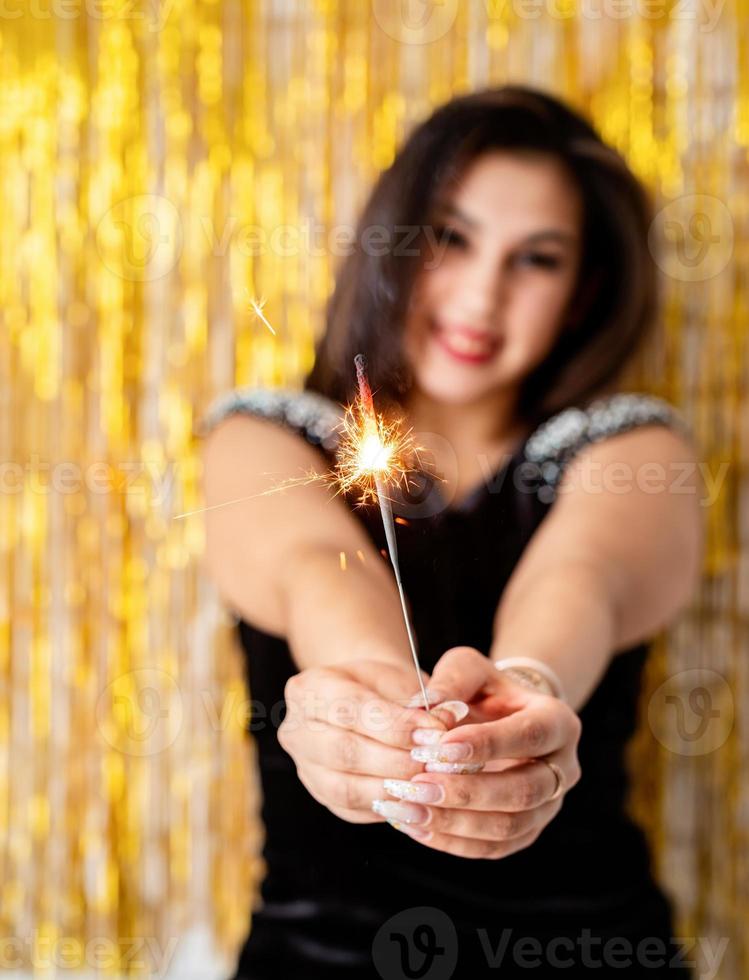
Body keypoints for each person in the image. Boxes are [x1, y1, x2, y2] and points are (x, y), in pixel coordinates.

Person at [198, 85, 703, 978]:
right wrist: (378, 691)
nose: (480, 295)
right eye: (451, 238)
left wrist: (524, 687)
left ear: (583, 293)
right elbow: (324, 572)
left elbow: (578, 579)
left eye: (535, 260)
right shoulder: (263, 439)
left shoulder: (634, 448)